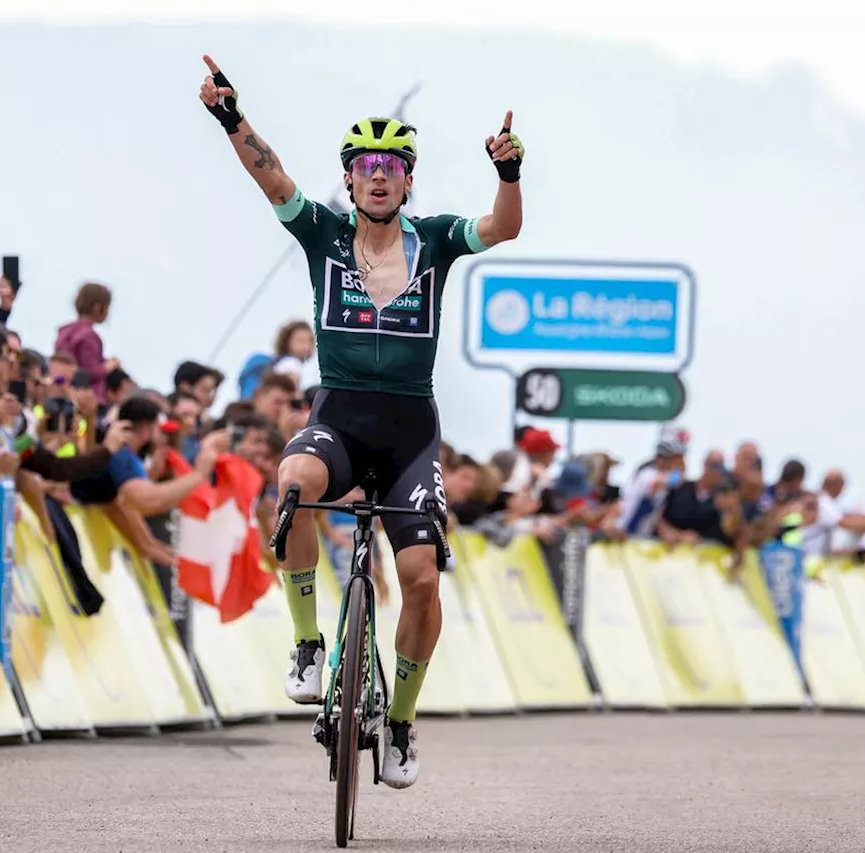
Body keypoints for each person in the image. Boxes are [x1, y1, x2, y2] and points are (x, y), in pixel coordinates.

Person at [200, 54, 523, 789]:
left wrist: (507, 171)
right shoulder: (321, 233)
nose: (378, 175)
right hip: (339, 417)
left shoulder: (436, 239)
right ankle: (310, 643)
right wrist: (231, 117)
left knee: (419, 581)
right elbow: (271, 176)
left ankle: (402, 722)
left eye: (392, 165)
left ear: (408, 180)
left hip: (411, 436)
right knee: (293, 482)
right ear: (349, 177)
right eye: (365, 164)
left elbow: (503, 227)